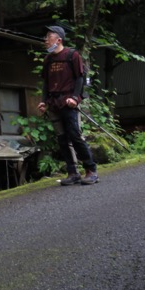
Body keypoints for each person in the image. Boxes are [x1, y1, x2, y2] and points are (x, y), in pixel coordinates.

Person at [37, 25, 98, 186]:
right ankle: (73, 173)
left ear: (58, 40)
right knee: (62, 139)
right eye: (46, 37)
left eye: (48, 37)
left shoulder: (72, 55)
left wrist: (75, 99)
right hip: (54, 104)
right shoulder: (48, 59)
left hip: (68, 103)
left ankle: (91, 170)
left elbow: (80, 78)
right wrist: (43, 101)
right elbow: (46, 83)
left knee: (75, 136)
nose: (45, 40)